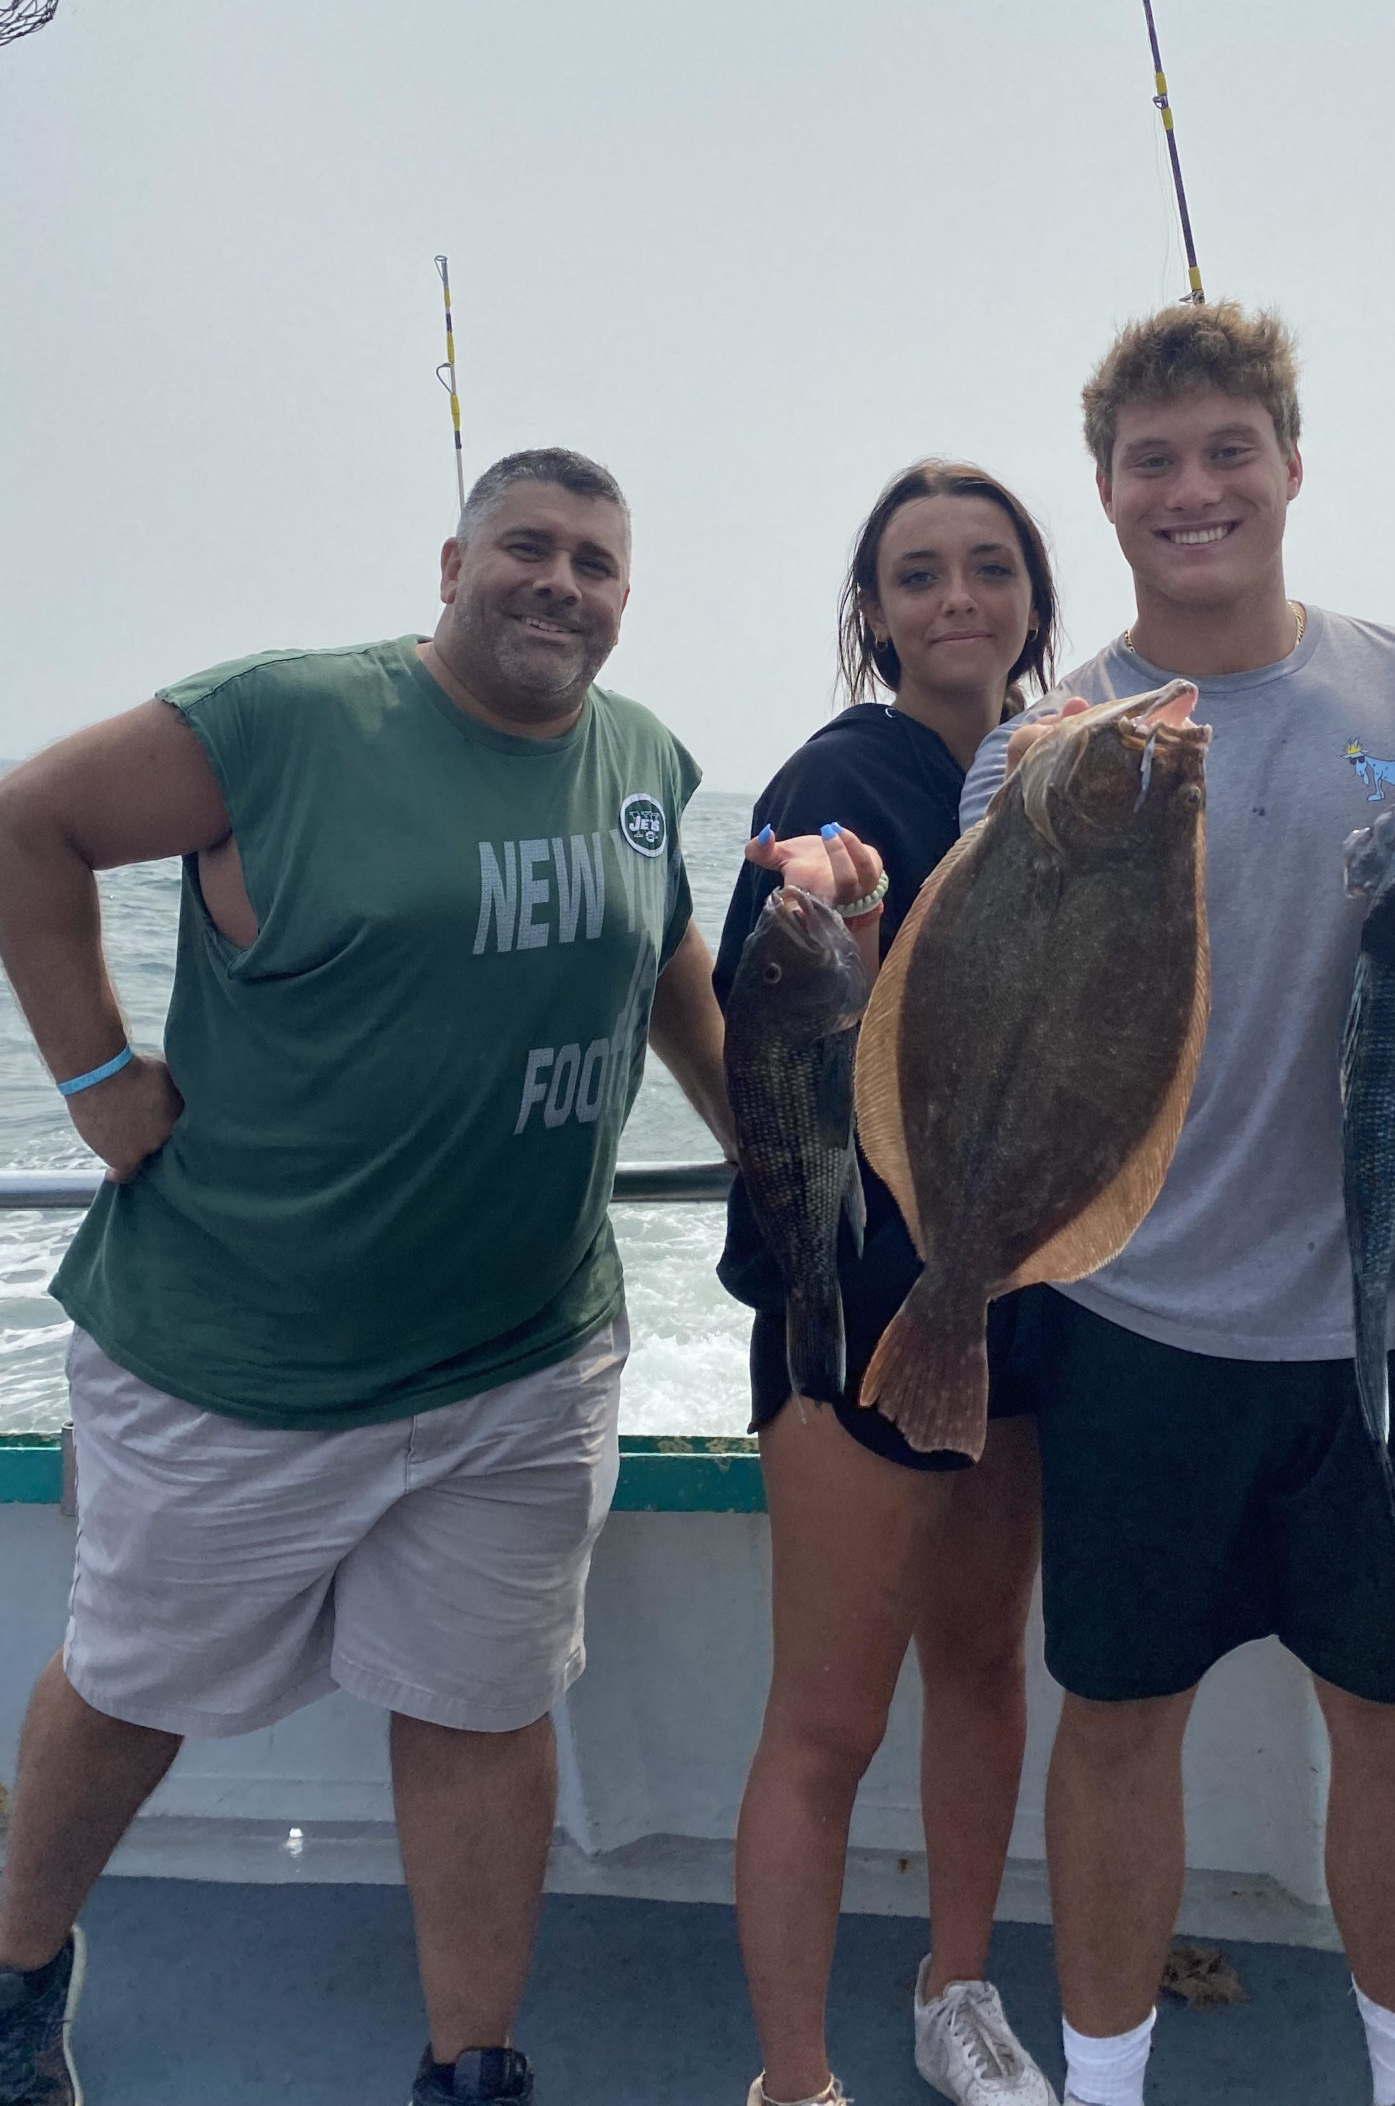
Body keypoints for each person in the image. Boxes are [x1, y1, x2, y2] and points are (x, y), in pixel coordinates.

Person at [0, 448, 836, 2106]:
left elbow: (665, 957)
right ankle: (18, 1970)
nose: (561, 584)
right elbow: (31, 824)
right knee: (133, 1687)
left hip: (524, 1362)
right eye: (526, 547)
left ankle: (472, 2065)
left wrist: (776, 1144)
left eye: (597, 564)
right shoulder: (285, 719)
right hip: (233, 1349)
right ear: (449, 563)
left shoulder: (644, 759)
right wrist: (94, 1079)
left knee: (479, 1709)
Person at [960, 304, 1395, 2106]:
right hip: (1137, 1326)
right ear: (1105, 490)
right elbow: (971, 1045)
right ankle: (1105, 2091)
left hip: (1381, 1318)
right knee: (1116, 1727)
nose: (1191, 491)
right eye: (1151, 461)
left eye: (1226, 451)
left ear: (1292, 459)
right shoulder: (1040, 746)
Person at [714, 460, 1062, 2106]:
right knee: (828, 1722)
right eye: (917, 575)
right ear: (873, 614)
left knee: (987, 1664)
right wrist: (817, 892)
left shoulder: (1057, 771)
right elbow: (773, 945)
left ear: (1033, 601)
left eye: (988, 569)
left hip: (1025, 1301)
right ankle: (795, 2078)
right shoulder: (846, 773)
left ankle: (961, 1989)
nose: (957, 601)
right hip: (853, 1314)